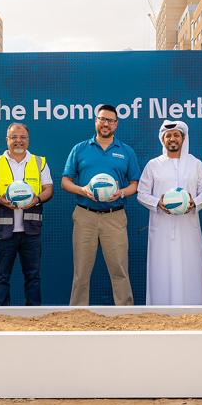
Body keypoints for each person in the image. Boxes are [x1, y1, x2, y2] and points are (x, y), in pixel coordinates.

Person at [61, 104, 141, 306]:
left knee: (120, 271)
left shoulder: (126, 151)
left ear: (116, 124)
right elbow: (65, 181)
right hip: (85, 215)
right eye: (102, 119)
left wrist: (121, 192)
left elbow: (135, 184)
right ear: (96, 121)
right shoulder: (79, 149)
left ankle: (125, 315)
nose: (106, 124)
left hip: (114, 217)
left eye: (110, 121)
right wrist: (83, 190)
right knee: (81, 272)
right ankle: (78, 317)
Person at [137, 120, 202, 305]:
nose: (172, 139)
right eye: (168, 135)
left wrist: (194, 203)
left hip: (189, 230)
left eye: (176, 135)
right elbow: (141, 194)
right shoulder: (153, 165)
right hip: (161, 230)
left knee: (190, 269)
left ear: (183, 138)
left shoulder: (195, 163)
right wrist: (158, 203)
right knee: (161, 271)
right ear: (162, 140)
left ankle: (194, 314)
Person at [0, 122, 53, 306]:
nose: (18, 141)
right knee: (1, 276)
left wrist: (36, 199)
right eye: (14, 137)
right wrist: (1, 200)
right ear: (7, 140)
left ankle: (33, 315)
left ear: (28, 140)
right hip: (4, 231)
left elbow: (48, 189)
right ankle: (2, 315)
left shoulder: (40, 162)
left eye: (22, 137)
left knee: (33, 276)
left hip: (31, 231)